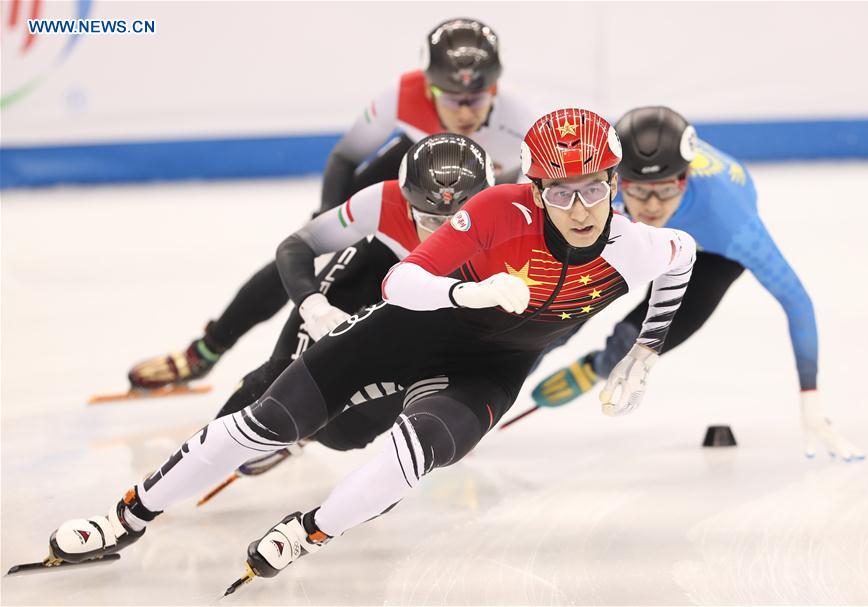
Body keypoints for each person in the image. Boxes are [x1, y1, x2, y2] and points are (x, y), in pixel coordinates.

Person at [46, 109, 697, 586]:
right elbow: (402, 278)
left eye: (594, 188)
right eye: (561, 191)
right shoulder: (500, 210)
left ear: (613, 182)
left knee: (416, 451)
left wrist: (646, 346)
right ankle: (125, 516)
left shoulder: (636, 244)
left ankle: (310, 529)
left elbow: (683, 257)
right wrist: (461, 297)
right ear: (535, 189)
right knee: (264, 420)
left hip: (489, 370)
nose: (580, 208)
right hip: (410, 328)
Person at [127, 18, 535, 391]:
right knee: (303, 257)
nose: (464, 110)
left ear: (495, 88)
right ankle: (206, 351)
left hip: (470, 203)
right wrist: (327, 215)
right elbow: (345, 158)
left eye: (477, 97)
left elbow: (517, 207)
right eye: (449, 97)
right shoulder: (403, 93)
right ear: (428, 86)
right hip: (408, 173)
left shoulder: (521, 124)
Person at [531, 106, 863, 461]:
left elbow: (796, 300)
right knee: (552, 317)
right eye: (639, 191)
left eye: (665, 189)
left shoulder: (731, 220)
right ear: (615, 181)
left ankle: (594, 366)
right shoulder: (598, 183)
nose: (653, 206)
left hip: (710, 252)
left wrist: (810, 398)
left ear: (685, 180)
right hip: (629, 229)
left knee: (629, 348)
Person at [214, 132, 494, 476]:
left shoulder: (508, 227)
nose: (442, 235)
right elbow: (297, 246)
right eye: (430, 220)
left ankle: (307, 434)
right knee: (281, 376)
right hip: (368, 279)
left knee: (346, 434)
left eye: (457, 222)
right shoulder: (382, 201)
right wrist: (314, 306)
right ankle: (203, 453)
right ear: (407, 203)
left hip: (424, 317)